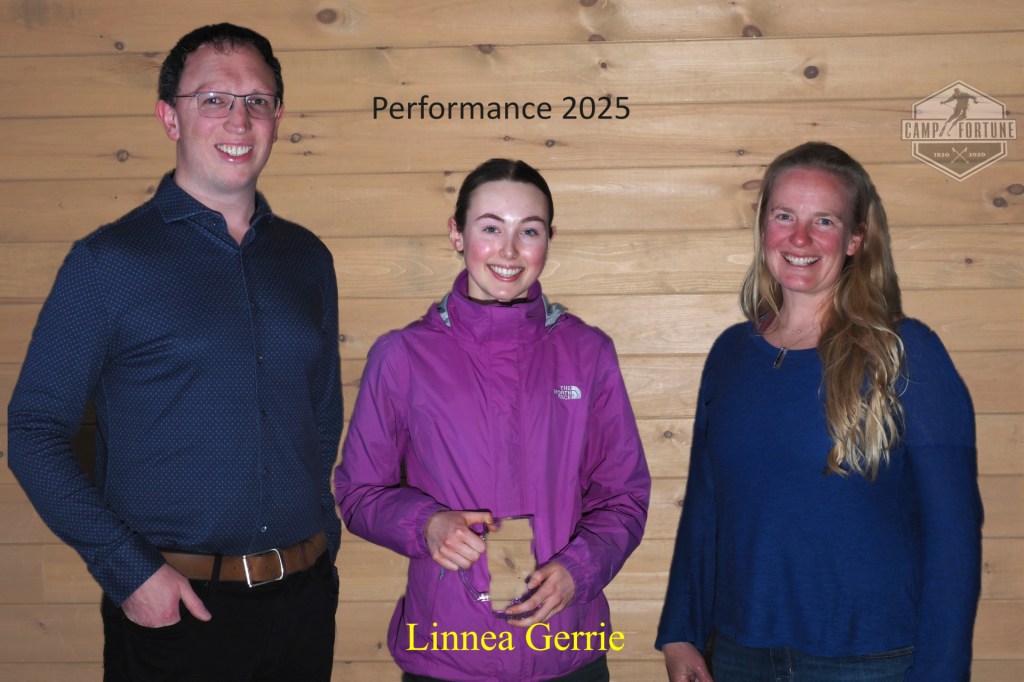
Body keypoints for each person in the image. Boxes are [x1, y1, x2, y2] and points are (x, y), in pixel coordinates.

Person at [7, 23, 342, 681]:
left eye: (257, 101)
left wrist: (323, 535)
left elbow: (321, 414)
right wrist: (130, 572)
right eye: (213, 99)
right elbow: (34, 432)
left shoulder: (307, 259)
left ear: (277, 118)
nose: (238, 120)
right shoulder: (108, 263)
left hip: (303, 603)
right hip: (175, 610)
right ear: (169, 117)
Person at [655, 142, 983, 682]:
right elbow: (706, 506)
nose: (800, 238)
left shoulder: (906, 353)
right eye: (784, 216)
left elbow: (953, 535)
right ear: (763, 226)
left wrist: (941, 673)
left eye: (824, 221)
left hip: (870, 661)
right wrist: (680, 630)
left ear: (855, 240)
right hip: (740, 654)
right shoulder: (731, 355)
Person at [334, 158, 650, 682]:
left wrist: (579, 569)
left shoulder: (588, 352)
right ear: (457, 235)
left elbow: (623, 495)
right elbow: (359, 492)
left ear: (548, 240)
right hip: (447, 657)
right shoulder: (402, 356)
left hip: (567, 652)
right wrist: (426, 524)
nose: (508, 250)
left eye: (529, 230)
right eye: (490, 228)